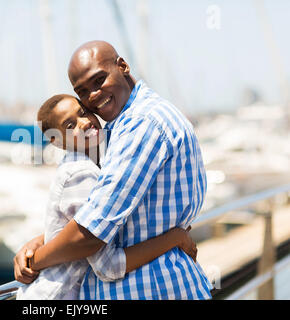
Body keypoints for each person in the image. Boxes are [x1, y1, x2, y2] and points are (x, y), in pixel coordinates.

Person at [14, 40, 213, 300]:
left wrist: (35, 261)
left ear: (123, 66)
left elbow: (91, 234)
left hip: (151, 288)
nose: (93, 96)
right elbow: (117, 217)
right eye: (83, 91)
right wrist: (42, 240)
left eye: (99, 81)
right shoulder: (126, 125)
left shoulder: (141, 125)